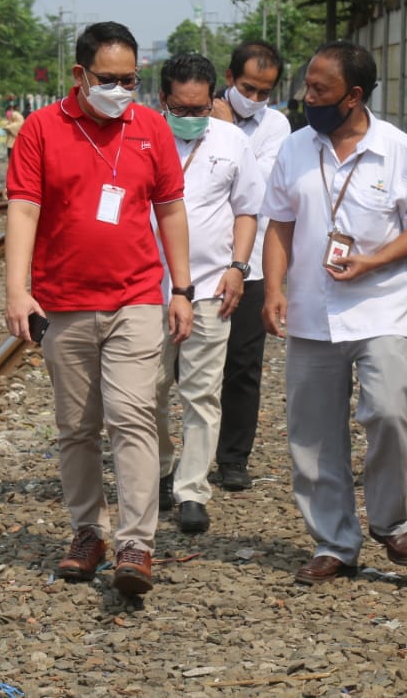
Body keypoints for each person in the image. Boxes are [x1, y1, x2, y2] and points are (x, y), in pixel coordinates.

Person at [3, 21, 194, 597]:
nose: (120, 89)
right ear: (80, 75)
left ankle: (137, 543)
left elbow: (172, 210)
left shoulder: (151, 128)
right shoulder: (41, 129)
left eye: (130, 79)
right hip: (64, 303)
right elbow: (24, 210)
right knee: (77, 428)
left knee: (133, 414)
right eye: (108, 79)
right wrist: (18, 289)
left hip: (136, 297)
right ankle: (88, 532)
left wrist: (181, 289)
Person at [260, 40, 407, 585]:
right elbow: (279, 224)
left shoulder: (399, 150)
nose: (307, 97)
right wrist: (274, 290)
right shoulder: (295, 149)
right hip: (313, 313)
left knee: (388, 411)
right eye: (307, 86)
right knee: (313, 436)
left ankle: (389, 520)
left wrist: (373, 262)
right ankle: (335, 543)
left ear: (355, 96)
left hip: (379, 308)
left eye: (320, 89)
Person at [151, 54, 263, 534]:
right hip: (145, 288)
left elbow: (247, 210)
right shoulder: (140, 137)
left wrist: (238, 268)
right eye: (181, 107)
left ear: (213, 99)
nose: (191, 117)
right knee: (147, 391)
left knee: (202, 393)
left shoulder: (232, 141)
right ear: (163, 100)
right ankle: (157, 470)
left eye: (200, 108)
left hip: (211, 286)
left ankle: (192, 490)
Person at [209, 41, 291, 492]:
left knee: (242, 365)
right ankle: (174, 460)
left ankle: (233, 458)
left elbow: (259, 188)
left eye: (264, 91)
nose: (255, 99)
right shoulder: (195, 112)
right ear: (228, 77)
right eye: (247, 88)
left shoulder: (276, 126)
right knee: (182, 365)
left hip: (253, 261)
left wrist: (229, 134)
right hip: (198, 261)